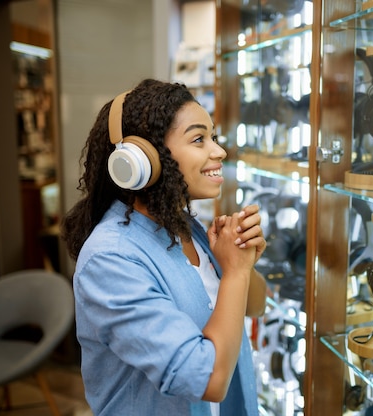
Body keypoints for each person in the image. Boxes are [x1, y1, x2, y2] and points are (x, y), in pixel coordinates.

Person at [61, 79, 267, 416]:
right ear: (142, 159)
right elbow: (208, 380)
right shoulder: (110, 258)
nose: (219, 151)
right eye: (199, 139)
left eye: (213, 137)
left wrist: (241, 263)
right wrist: (236, 273)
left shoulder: (185, 227)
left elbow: (254, 306)